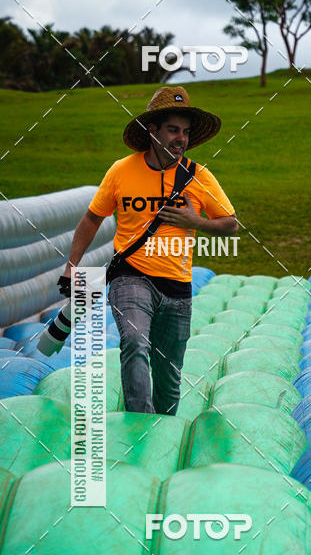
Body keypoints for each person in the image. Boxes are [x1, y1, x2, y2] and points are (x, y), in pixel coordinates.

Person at [59, 85, 238, 415]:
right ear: (152, 130)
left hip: (177, 286)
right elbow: (91, 218)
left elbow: (230, 224)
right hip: (131, 277)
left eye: (185, 132)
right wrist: (71, 266)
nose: (180, 138)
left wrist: (193, 220)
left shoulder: (199, 177)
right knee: (135, 341)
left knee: (169, 377)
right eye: (173, 130)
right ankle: (139, 425)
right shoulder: (121, 171)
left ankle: (161, 436)